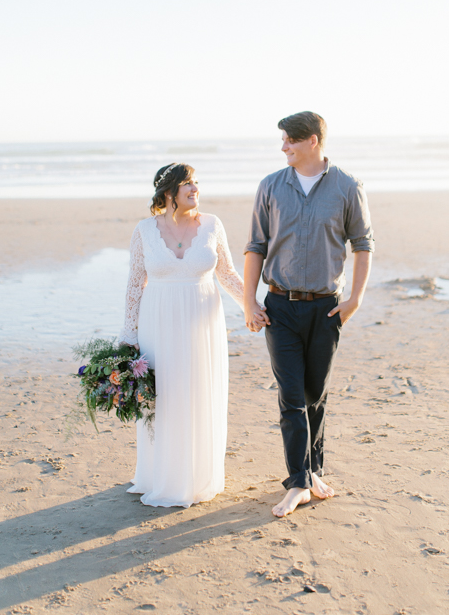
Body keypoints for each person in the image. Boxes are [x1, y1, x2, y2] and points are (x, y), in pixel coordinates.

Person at [244, 112, 374, 518]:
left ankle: (314, 471)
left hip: (326, 307)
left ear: (312, 141)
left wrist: (355, 299)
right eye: (283, 141)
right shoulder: (270, 186)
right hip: (279, 306)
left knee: (315, 395)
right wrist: (249, 301)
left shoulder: (348, 187)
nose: (283, 148)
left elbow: (363, 244)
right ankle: (298, 482)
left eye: (289, 141)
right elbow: (255, 246)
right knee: (292, 397)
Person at [119, 162, 244, 508]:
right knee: (164, 396)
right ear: (168, 191)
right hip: (157, 322)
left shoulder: (212, 225)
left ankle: (197, 474)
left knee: (198, 392)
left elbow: (227, 274)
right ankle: (161, 475)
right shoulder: (144, 230)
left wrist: (253, 306)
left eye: (196, 182)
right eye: (188, 183)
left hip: (202, 323)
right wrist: (128, 333)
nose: (195, 189)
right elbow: (134, 283)